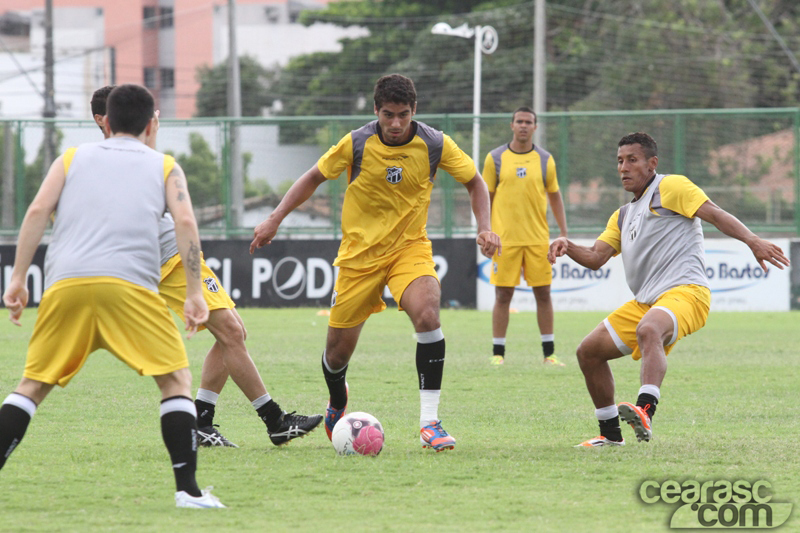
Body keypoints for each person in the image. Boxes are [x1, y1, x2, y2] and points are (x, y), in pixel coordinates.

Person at [250, 74, 501, 451]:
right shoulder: (357, 143)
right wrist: (274, 218)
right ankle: (338, 399)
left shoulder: (434, 143)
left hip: (408, 250)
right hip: (358, 258)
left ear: (414, 111)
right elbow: (314, 176)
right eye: (388, 115)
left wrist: (485, 227)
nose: (396, 123)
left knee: (429, 314)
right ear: (376, 111)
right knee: (336, 356)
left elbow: (475, 181)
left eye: (403, 114)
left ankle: (430, 422)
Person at [1, 84, 225, 507]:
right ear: (151, 122)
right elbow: (186, 222)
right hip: (129, 288)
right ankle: (188, 491)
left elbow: (35, 213)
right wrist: (194, 292)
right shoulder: (165, 166)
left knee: (31, 386)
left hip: (66, 286)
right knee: (175, 381)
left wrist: (17, 279)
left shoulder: (71, 157)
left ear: (106, 119)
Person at [90, 86, 322, 448]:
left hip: (173, 256)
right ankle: (274, 419)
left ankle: (202, 419)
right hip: (168, 259)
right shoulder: (104, 160)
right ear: (102, 120)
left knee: (234, 332)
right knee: (231, 331)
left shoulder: (128, 154)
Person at [548, 132, 789, 447]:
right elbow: (595, 258)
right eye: (620, 161)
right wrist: (568, 246)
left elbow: (715, 213)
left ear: (652, 163)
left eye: (632, 160)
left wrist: (752, 241)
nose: (624, 168)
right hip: (646, 302)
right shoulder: (621, 216)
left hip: (687, 292)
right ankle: (610, 436)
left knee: (649, 329)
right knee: (588, 352)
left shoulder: (671, 187)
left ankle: (645, 409)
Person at [482, 106, 567, 367]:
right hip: (504, 241)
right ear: (511, 125)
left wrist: (564, 233)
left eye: (528, 122)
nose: (523, 125)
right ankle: (498, 354)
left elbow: (554, 196)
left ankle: (549, 354)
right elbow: (486, 197)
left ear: (535, 127)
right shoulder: (495, 158)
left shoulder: (545, 160)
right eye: (519, 121)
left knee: (543, 294)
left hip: (538, 240)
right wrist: (485, 232)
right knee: (502, 296)